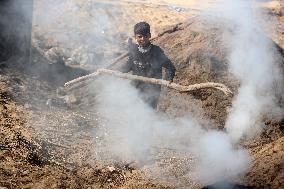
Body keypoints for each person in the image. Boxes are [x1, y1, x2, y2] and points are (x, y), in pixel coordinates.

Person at [120, 21, 176, 109]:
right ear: (135, 37)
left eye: (145, 36)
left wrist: (168, 80)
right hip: (135, 87)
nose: (143, 39)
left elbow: (170, 67)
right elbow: (129, 65)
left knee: (148, 113)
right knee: (133, 110)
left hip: (152, 90)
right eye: (139, 37)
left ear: (149, 35)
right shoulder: (134, 50)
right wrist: (117, 73)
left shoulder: (157, 52)